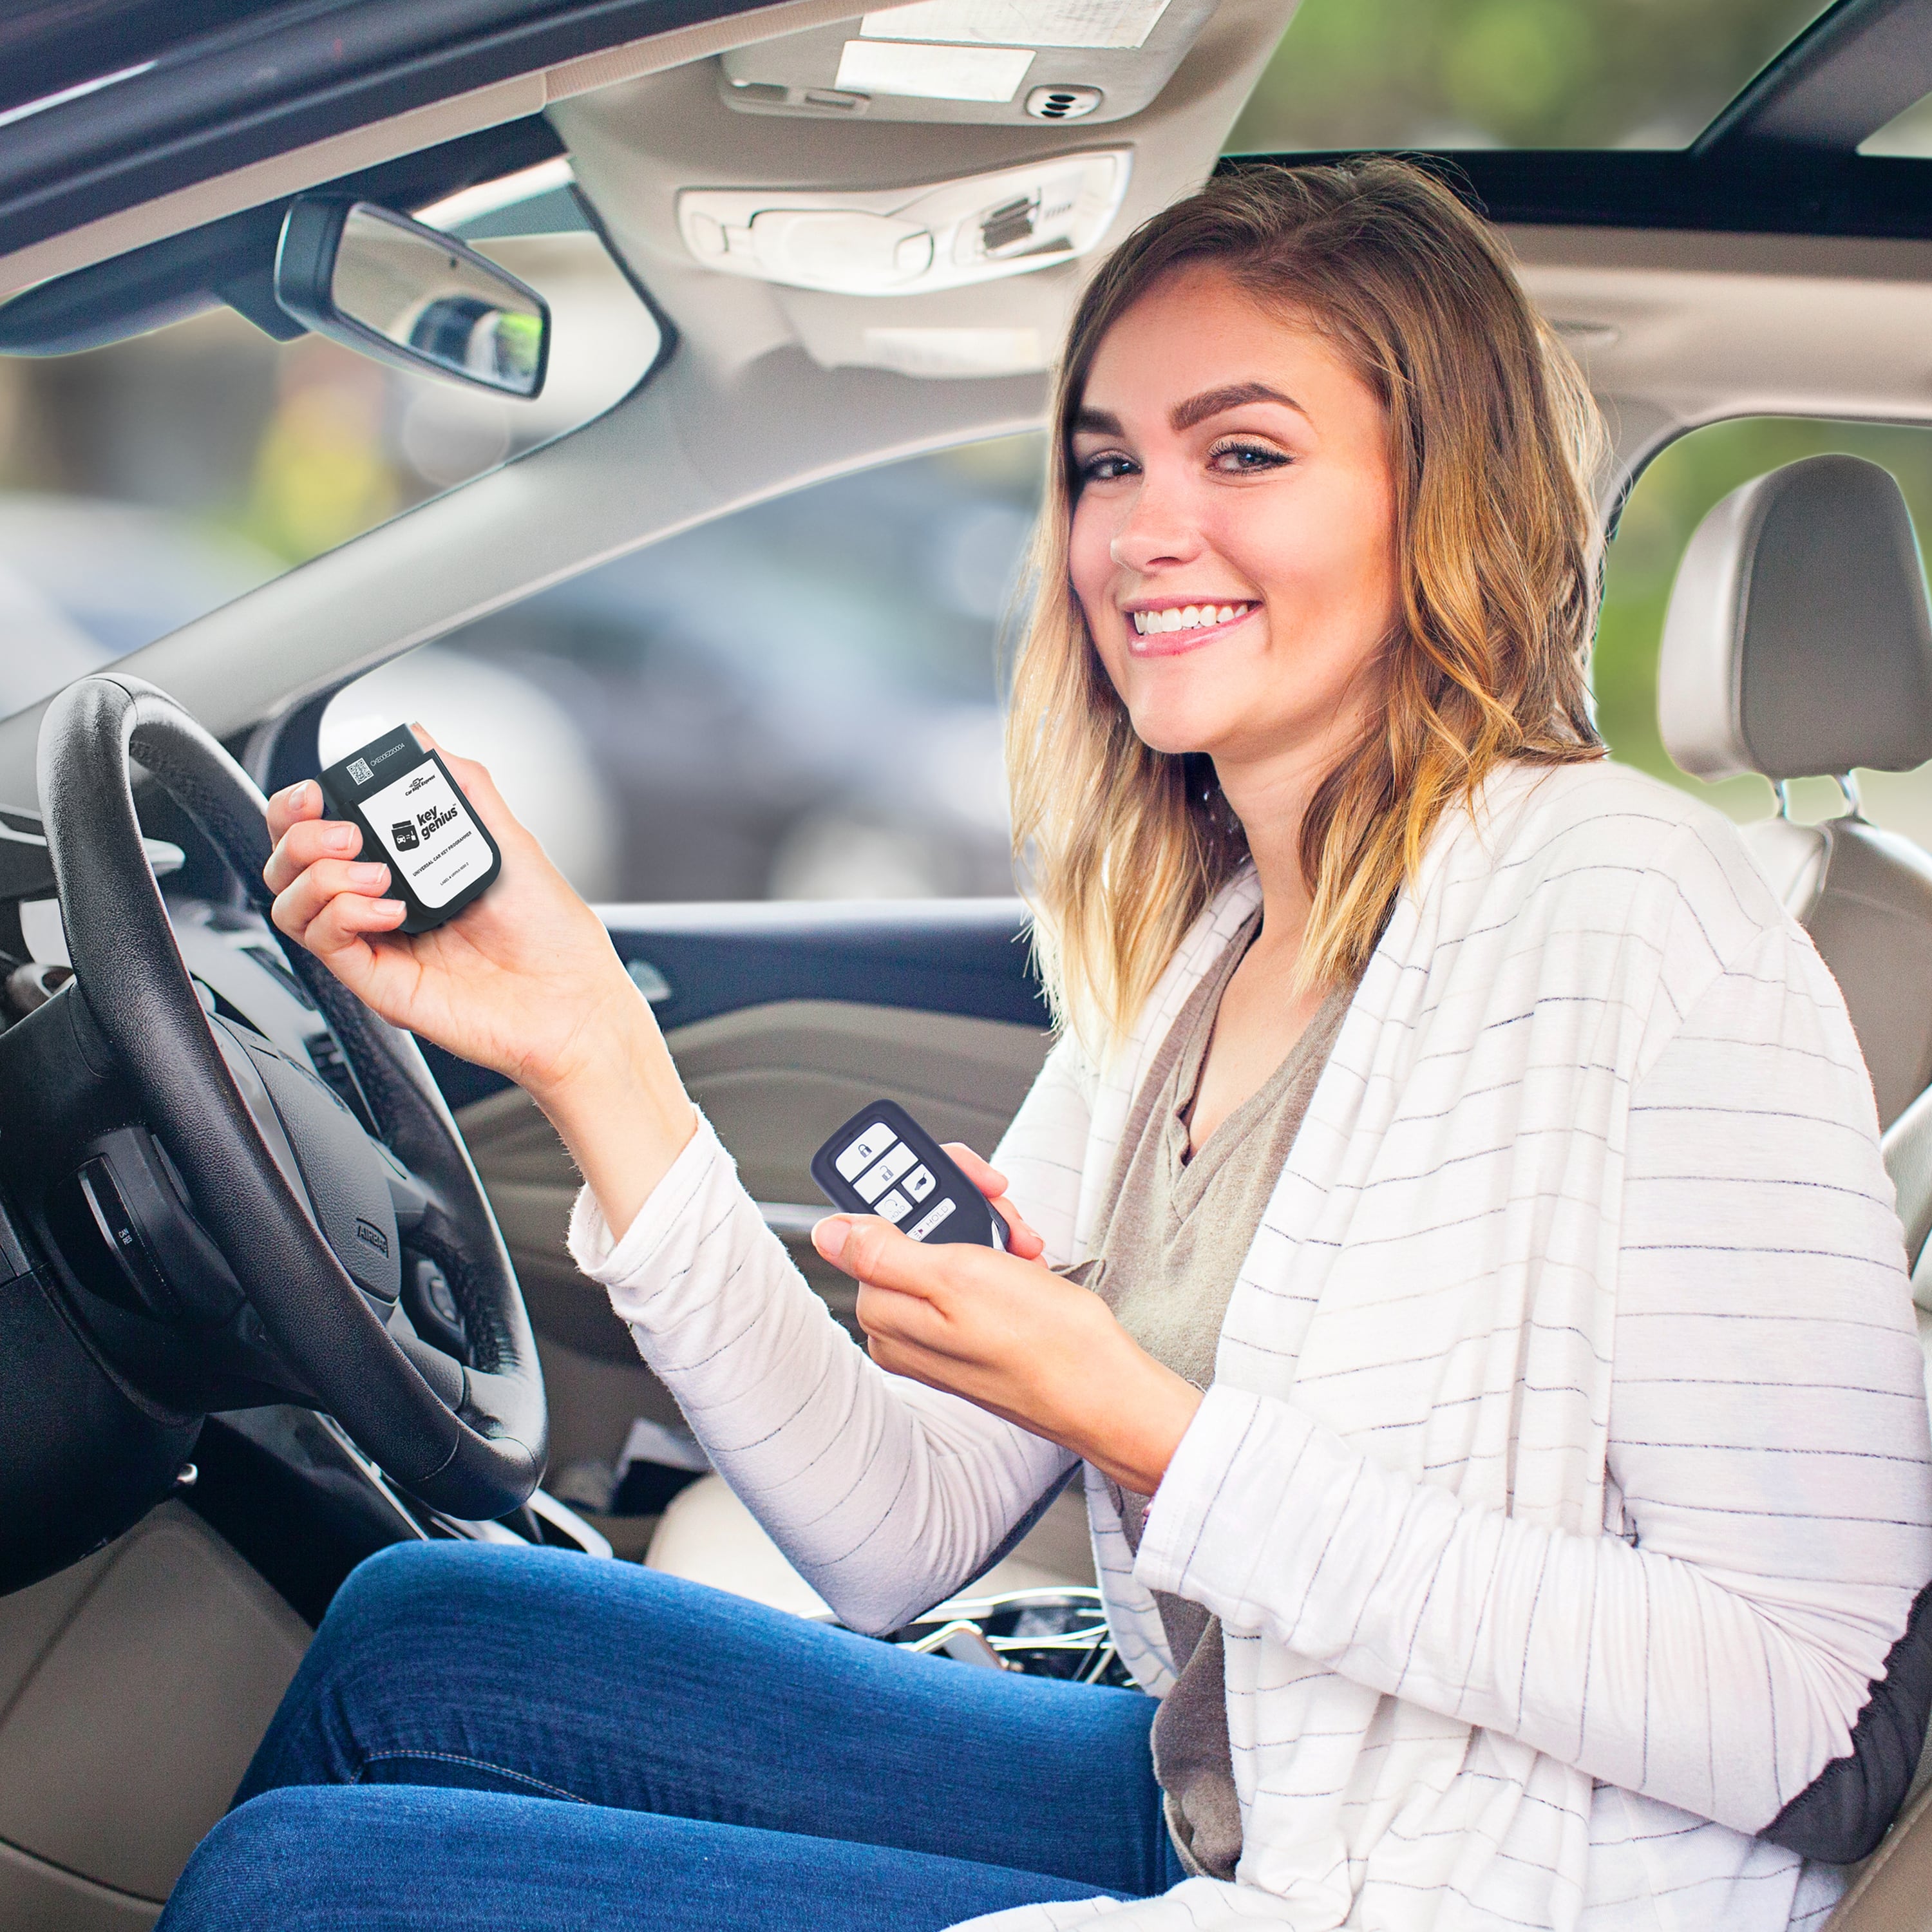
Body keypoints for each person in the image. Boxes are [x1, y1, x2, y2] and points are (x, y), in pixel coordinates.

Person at [159, 159, 1932, 1932]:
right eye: (1107, 463)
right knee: (427, 1629)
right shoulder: (1205, 947)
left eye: (1244, 454)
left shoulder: (1642, 912)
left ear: (1440, 500)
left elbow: (1814, 1719)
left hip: (1475, 1883)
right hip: (1256, 1785)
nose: (1144, 530)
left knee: (298, 1892)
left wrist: (1154, 1430)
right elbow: (900, 1530)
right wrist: (591, 1048)